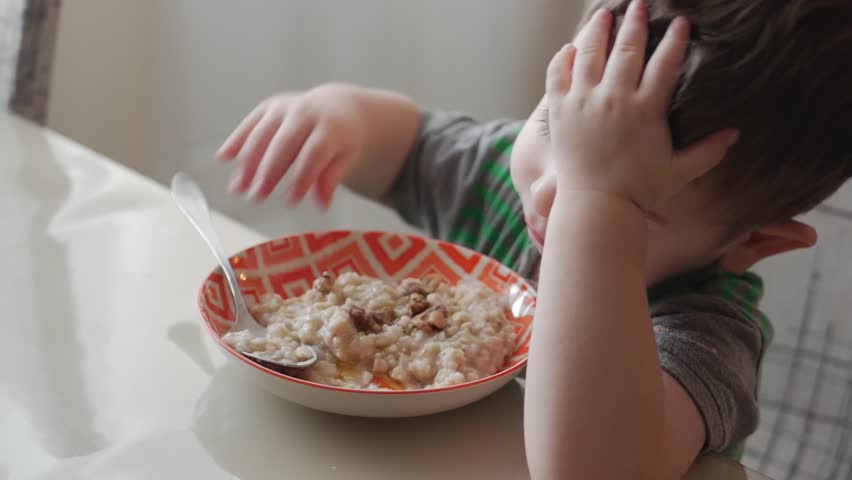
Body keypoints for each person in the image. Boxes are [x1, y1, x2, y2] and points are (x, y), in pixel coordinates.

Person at [216, 0, 852, 477]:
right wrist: (344, 114)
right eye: (553, 127)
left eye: (634, 205)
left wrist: (595, 206)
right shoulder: (509, 178)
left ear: (754, 244)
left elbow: (590, 469)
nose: (552, 195)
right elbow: (408, 146)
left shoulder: (707, 335)